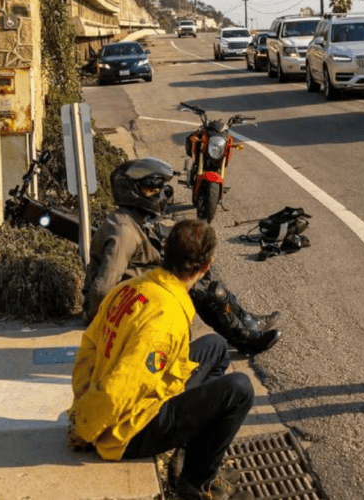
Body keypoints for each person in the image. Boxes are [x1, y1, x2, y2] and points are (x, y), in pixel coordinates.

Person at [69, 219, 253, 500]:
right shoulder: (166, 321)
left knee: (215, 347)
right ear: (206, 266)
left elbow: (89, 346)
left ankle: (193, 450)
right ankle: (194, 484)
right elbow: (119, 389)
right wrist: (85, 427)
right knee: (239, 390)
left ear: (165, 253)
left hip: (116, 402)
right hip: (126, 430)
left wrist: (81, 397)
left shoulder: (133, 287)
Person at [82, 159, 281, 355]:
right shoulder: (123, 231)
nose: (159, 194)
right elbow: (102, 289)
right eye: (151, 188)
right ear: (130, 190)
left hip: (141, 287)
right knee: (202, 290)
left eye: (160, 188)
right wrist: (107, 329)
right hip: (135, 300)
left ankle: (247, 321)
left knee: (198, 268)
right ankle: (243, 339)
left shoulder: (133, 218)